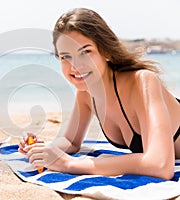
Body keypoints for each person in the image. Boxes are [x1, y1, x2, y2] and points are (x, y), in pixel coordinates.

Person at [18, 8, 180, 180]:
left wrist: (68, 164)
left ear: (106, 51)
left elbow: (161, 166)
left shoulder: (143, 82)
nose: (75, 66)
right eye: (66, 56)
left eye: (85, 52)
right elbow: (71, 142)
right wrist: (44, 150)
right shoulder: (86, 94)